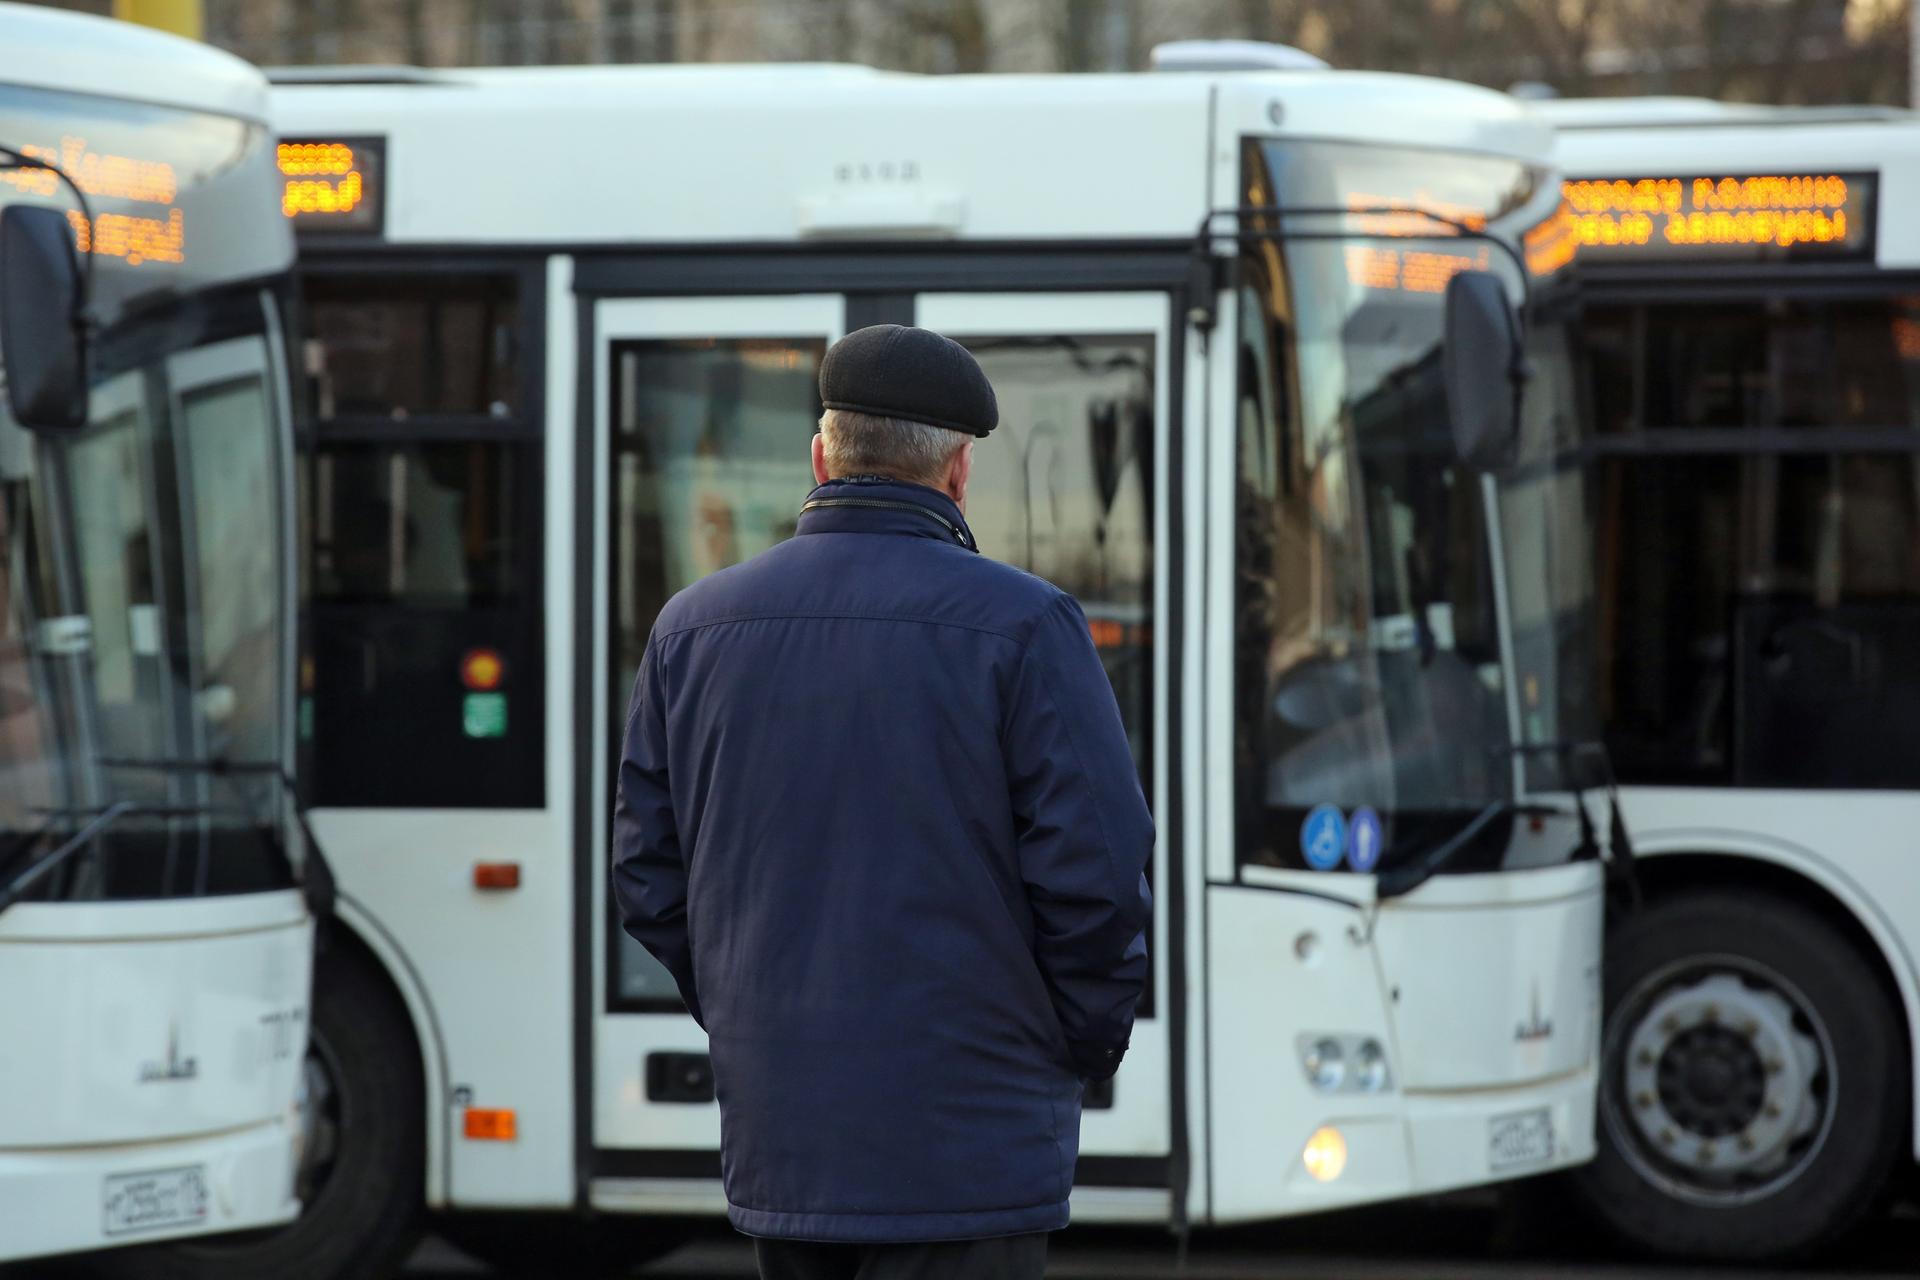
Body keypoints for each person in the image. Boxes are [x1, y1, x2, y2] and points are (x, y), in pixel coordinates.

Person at [613, 324, 1153, 1280]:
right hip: (973, 1144)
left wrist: (755, 1013)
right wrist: (1072, 1048)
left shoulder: (690, 630)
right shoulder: (1028, 627)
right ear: (958, 474)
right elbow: (1101, 879)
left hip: (787, 1134)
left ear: (821, 456)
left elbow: (649, 880)